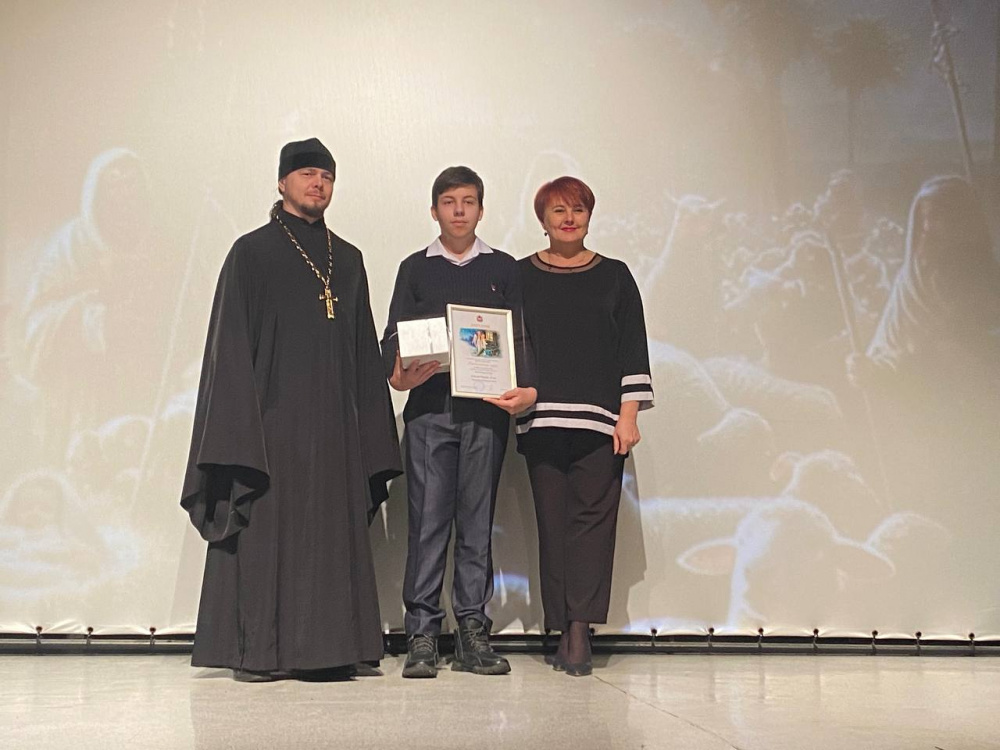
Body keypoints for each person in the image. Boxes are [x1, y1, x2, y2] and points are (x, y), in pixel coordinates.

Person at [180, 138, 402, 682]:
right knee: (267, 534)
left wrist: (371, 436)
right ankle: (262, 652)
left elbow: (361, 350)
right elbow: (230, 346)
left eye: (326, 175)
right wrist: (238, 429)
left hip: (334, 430)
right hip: (270, 426)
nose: (317, 183)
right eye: (306, 174)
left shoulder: (348, 260)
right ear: (282, 182)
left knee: (331, 536)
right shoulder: (251, 253)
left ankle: (332, 649)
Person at [381, 166, 536, 678]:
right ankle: (423, 634)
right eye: (449, 202)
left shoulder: (503, 268)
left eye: (468, 201)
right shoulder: (415, 268)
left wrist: (527, 389)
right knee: (427, 524)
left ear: (481, 210)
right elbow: (393, 337)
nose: (459, 210)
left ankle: (472, 631)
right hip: (429, 412)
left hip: (486, 415)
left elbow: (519, 338)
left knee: (476, 524)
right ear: (434, 211)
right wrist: (398, 374)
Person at [516, 176, 654, 677]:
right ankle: (559, 625)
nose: (569, 218)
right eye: (558, 211)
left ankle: (580, 630)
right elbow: (506, 342)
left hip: (601, 424)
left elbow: (632, 347)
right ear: (543, 220)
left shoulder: (615, 276)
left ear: (590, 217)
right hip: (541, 420)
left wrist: (628, 416)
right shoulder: (519, 275)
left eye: (577, 209)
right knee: (553, 527)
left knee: (593, 528)